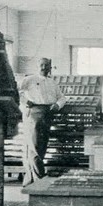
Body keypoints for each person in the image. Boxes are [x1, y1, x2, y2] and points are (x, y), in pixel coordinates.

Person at [18, 57, 66, 185]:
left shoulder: (53, 83)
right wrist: (24, 103)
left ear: (50, 67)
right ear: (37, 66)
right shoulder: (29, 80)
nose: (44, 68)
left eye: (47, 65)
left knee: (42, 146)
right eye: (42, 65)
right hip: (34, 113)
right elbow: (17, 93)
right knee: (34, 147)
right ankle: (39, 177)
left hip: (47, 114)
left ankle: (31, 179)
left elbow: (62, 97)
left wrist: (57, 105)